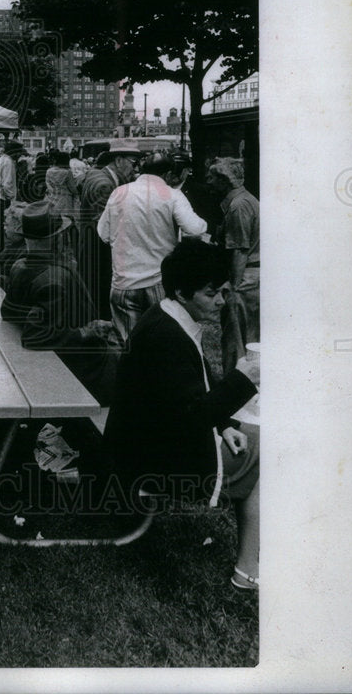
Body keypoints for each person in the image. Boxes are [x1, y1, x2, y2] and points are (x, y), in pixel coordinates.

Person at [104, 239, 260, 592]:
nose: (220, 301)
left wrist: (225, 425)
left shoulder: (168, 315)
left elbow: (191, 393)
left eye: (222, 291)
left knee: (252, 442)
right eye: (211, 293)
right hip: (147, 462)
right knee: (265, 455)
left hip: (142, 445)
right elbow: (189, 417)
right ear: (181, 291)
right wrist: (243, 380)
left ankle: (250, 565)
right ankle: (248, 571)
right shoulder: (166, 337)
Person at [1, 201, 118, 405]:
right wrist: (86, 331)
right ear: (57, 237)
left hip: (57, 367)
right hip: (85, 371)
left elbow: (8, 312)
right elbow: (35, 335)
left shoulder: (20, 267)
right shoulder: (55, 277)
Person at [97, 151, 208, 350]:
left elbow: (103, 233)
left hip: (123, 282)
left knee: (128, 345)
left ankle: (127, 378)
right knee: (162, 342)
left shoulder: (119, 192)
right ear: (167, 175)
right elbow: (195, 228)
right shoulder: (172, 194)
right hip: (158, 281)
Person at [207, 158, 260, 367]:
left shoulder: (238, 206)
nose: (208, 182)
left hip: (244, 280)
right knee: (249, 339)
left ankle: (235, 384)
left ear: (224, 180)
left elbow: (240, 249)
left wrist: (233, 287)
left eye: (212, 177)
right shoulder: (242, 202)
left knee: (236, 340)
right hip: (250, 278)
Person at [77, 147, 138, 320]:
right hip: (98, 252)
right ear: (118, 160)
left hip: (92, 248)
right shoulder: (104, 185)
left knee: (94, 293)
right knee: (99, 294)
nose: (135, 169)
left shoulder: (100, 176)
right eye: (133, 163)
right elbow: (108, 226)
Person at [0, 140, 26, 250]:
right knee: (3, 226)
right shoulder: (9, 162)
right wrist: (12, 198)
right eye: (19, 152)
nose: (20, 155)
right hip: (4, 198)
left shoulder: (0, 160)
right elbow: (7, 184)